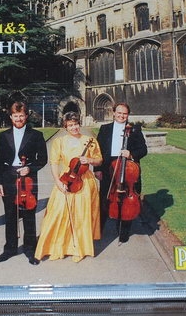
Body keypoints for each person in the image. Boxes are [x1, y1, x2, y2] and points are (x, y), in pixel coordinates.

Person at [34, 112, 103, 263]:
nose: (74, 127)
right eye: (70, 125)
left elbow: (99, 160)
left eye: (76, 124)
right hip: (66, 179)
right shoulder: (59, 141)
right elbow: (54, 163)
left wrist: (89, 160)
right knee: (58, 212)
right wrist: (58, 182)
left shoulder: (89, 140)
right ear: (65, 127)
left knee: (81, 215)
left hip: (85, 181)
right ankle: (57, 247)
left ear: (79, 124)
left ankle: (79, 249)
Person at [0, 102, 48, 265]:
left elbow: (42, 159)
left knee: (29, 214)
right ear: (11, 117)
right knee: (10, 214)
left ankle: (30, 249)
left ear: (26, 116)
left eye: (21, 116)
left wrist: (30, 168)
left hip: (28, 179)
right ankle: (9, 249)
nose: (18, 119)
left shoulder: (36, 135)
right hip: (8, 177)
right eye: (15, 116)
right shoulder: (2, 136)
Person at [94, 102, 148, 243]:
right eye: (119, 113)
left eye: (124, 113)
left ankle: (123, 232)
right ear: (114, 113)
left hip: (128, 167)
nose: (121, 116)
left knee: (126, 202)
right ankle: (98, 231)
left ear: (128, 115)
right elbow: (97, 151)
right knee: (105, 199)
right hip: (108, 167)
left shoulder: (135, 130)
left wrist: (131, 154)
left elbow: (143, 150)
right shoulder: (105, 129)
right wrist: (97, 169)